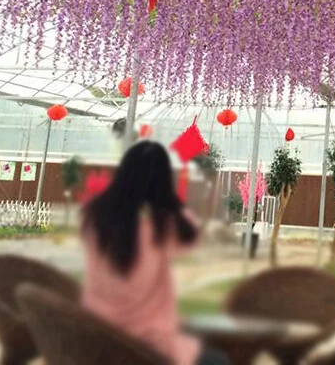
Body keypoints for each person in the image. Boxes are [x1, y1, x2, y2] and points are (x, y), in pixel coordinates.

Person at [82, 140, 229, 365]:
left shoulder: (95, 216)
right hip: (147, 345)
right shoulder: (164, 227)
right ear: (163, 182)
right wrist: (169, 201)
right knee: (217, 361)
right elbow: (191, 236)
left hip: (97, 335)